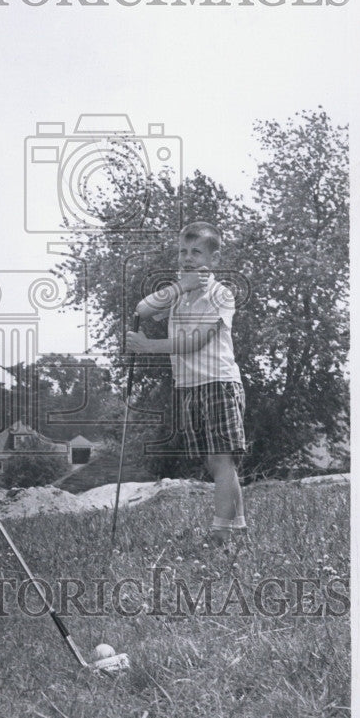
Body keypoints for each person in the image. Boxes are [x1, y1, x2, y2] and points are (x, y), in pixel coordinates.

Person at [126, 221, 247, 546]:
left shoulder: (221, 294)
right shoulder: (177, 296)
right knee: (214, 462)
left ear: (214, 257)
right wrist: (180, 287)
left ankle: (220, 533)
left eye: (196, 252)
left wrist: (148, 346)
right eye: (182, 252)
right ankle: (239, 526)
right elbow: (143, 309)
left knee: (222, 459)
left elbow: (195, 342)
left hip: (218, 383)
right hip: (189, 386)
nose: (187, 258)